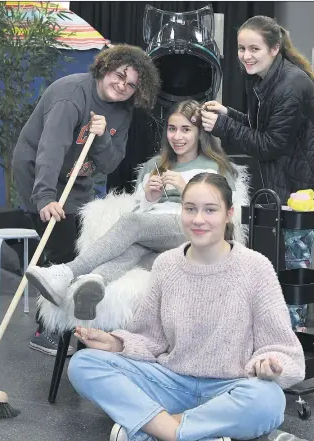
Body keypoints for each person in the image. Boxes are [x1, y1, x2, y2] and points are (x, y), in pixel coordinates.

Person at [65, 172, 305, 441]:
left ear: (229, 214)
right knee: (83, 364)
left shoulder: (256, 267)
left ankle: (153, 429)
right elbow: (149, 339)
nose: (198, 219)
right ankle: (191, 432)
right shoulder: (166, 265)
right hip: (169, 382)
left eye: (210, 210)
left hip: (230, 388)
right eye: (190, 209)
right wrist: (114, 342)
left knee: (268, 400)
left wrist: (271, 365)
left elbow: (285, 351)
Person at [25, 100, 238, 320]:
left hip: (189, 227)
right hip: (154, 235)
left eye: (186, 130)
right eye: (172, 129)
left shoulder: (215, 167)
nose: (177, 137)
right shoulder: (154, 165)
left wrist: (187, 189)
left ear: (200, 132)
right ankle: (93, 282)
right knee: (133, 246)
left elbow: (220, 210)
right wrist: (149, 197)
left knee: (132, 223)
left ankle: (66, 272)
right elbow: (140, 209)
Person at [12, 44, 161, 355]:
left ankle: (68, 324)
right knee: (60, 248)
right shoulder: (71, 95)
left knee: (78, 249)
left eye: (131, 84)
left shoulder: (123, 109)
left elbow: (109, 164)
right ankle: (47, 329)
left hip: (77, 182)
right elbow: (49, 152)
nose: (122, 85)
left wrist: (104, 135)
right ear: (106, 67)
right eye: (120, 76)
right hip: (40, 177)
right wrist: (45, 199)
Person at [200, 15, 314, 332]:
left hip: (298, 192)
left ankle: (294, 341)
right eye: (241, 49)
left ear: (274, 49)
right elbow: (263, 130)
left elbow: (271, 145)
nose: (246, 56)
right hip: (282, 188)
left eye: (254, 49)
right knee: (277, 267)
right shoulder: (267, 79)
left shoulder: (292, 85)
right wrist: (229, 114)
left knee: (293, 270)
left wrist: (223, 126)